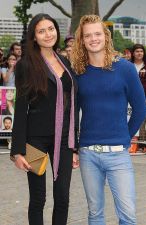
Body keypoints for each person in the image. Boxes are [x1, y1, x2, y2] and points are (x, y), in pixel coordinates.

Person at [71, 15, 146, 225]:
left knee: (128, 216)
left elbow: (140, 110)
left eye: (97, 33)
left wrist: (124, 138)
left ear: (105, 36)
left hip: (118, 155)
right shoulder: (79, 72)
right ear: (82, 40)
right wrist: (75, 147)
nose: (93, 38)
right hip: (88, 155)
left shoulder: (125, 68)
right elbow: (72, 114)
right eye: (88, 35)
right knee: (95, 214)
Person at [10, 13, 79, 225]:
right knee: (38, 198)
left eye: (51, 29)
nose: (48, 34)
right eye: (41, 31)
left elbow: (72, 106)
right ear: (34, 37)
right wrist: (18, 150)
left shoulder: (66, 62)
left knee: (63, 197)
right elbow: (21, 108)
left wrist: (75, 146)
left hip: (64, 139)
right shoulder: (26, 65)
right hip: (35, 140)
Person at [131, 44, 146, 153]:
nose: (139, 53)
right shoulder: (129, 65)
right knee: (140, 122)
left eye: (141, 51)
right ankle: (142, 145)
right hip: (132, 99)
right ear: (133, 53)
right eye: (137, 51)